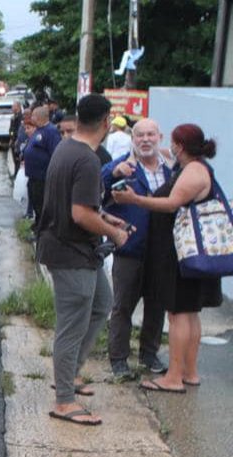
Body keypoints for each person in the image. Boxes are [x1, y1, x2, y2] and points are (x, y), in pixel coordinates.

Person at [37, 94, 130, 426]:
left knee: (102, 304)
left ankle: (70, 375)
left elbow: (81, 206)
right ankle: (64, 400)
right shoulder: (88, 159)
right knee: (71, 326)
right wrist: (114, 234)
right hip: (70, 252)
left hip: (75, 251)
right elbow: (79, 214)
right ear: (106, 122)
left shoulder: (68, 147)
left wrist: (106, 218)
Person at [113, 124, 224, 393]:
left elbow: (172, 203)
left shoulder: (193, 172)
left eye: (171, 142)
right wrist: (141, 149)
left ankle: (173, 377)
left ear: (180, 146)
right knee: (190, 313)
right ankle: (189, 372)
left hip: (183, 255)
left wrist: (137, 200)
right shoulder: (194, 165)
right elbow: (154, 150)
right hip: (195, 254)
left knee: (178, 315)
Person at [100, 118, 171, 379]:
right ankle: (119, 359)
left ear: (159, 137)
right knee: (122, 307)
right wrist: (114, 173)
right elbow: (99, 183)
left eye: (150, 134)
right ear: (132, 139)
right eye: (139, 135)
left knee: (156, 305)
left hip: (161, 251)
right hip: (130, 249)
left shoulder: (170, 168)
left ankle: (149, 354)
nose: (145, 140)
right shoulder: (123, 165)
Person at [23, 106, 61, 228]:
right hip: (33, 176)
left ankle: (42, 229)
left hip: (43, 178)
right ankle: (37, 225)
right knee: (35, 203)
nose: (31, 117)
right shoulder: (39, 130)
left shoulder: (50, 131)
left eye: (33, 115)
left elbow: (55, 154)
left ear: (39, 117)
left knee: (42, 205)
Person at [8, 100, 24, 179]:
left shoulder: (20, 117)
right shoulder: (14, 117)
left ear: (18, 107)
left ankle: (17, 174)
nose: (12, 108)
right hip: (13, 140)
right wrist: (11, 138)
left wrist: (15, 140)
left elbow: (18, 130)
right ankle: (15, 173)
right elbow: (11, 130)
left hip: (17, 141)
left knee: (17, 159)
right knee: (15, 159)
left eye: (13, 106)